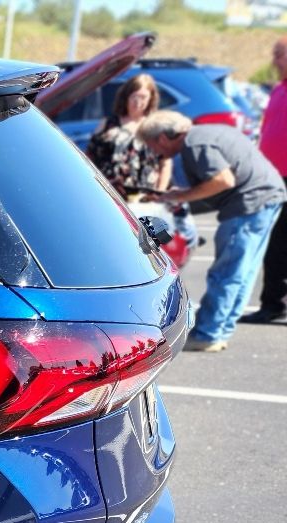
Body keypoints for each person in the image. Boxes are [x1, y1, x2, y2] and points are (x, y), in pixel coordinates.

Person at [140, 110, 286, 352]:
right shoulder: (207, 133)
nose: (155, 152)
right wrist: (180, 195)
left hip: (248, 203)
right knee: (242, 271)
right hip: (268, 196)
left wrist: (182, 195)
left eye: (152, 145)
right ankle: (220, 328)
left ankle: (208, 333)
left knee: (227, 271)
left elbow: (222, 180)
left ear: (163, 138)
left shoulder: (194, 145)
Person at [245, 35, 287, 324]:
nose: (274, 60)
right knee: (275, 245)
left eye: (279, 54)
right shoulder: (278, 90)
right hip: (275, 178)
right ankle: (273, 303)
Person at [87, 74, 171, 199]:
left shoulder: (155, 127)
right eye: (134, 96)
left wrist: (159, 193)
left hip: (143, 199)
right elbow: (89, 156)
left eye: (143, 97)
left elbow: (165, 164)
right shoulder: (108, 124)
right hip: (108, 196)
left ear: (151, 99)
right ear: (126, 97)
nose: (138, 102)